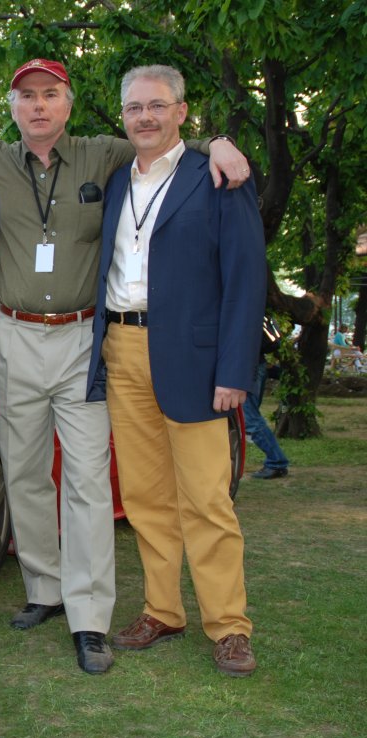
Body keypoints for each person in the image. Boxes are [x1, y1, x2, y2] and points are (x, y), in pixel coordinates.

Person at [0, 58, 249, 675]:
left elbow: (163, 138)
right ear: (11, 109)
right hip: (12, 334)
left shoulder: (104, 155)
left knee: (89, 476)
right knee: (24, 471)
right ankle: (44, 589)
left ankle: (89, 613)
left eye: (50, 95)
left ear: (69, 103)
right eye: (27, 97)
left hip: (83, 338)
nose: (38, 106)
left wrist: (217, 141)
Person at [86, 65, 266, 677]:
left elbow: (245, 281)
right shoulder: (113, 183)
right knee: (144, 496)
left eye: (157, 106)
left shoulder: (218, 176)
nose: (145, 117)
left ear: (182, 112)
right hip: (122, 348)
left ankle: (229, 626)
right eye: (134, 107)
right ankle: (162, 610)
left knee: (208, 498)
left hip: (194, 359)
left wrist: (234, 368)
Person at [245, 317, 290, 479]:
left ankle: (276, 461)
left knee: (250, 419)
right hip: (255, 365)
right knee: (249, 418)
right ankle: (276, 461)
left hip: (247, 367)